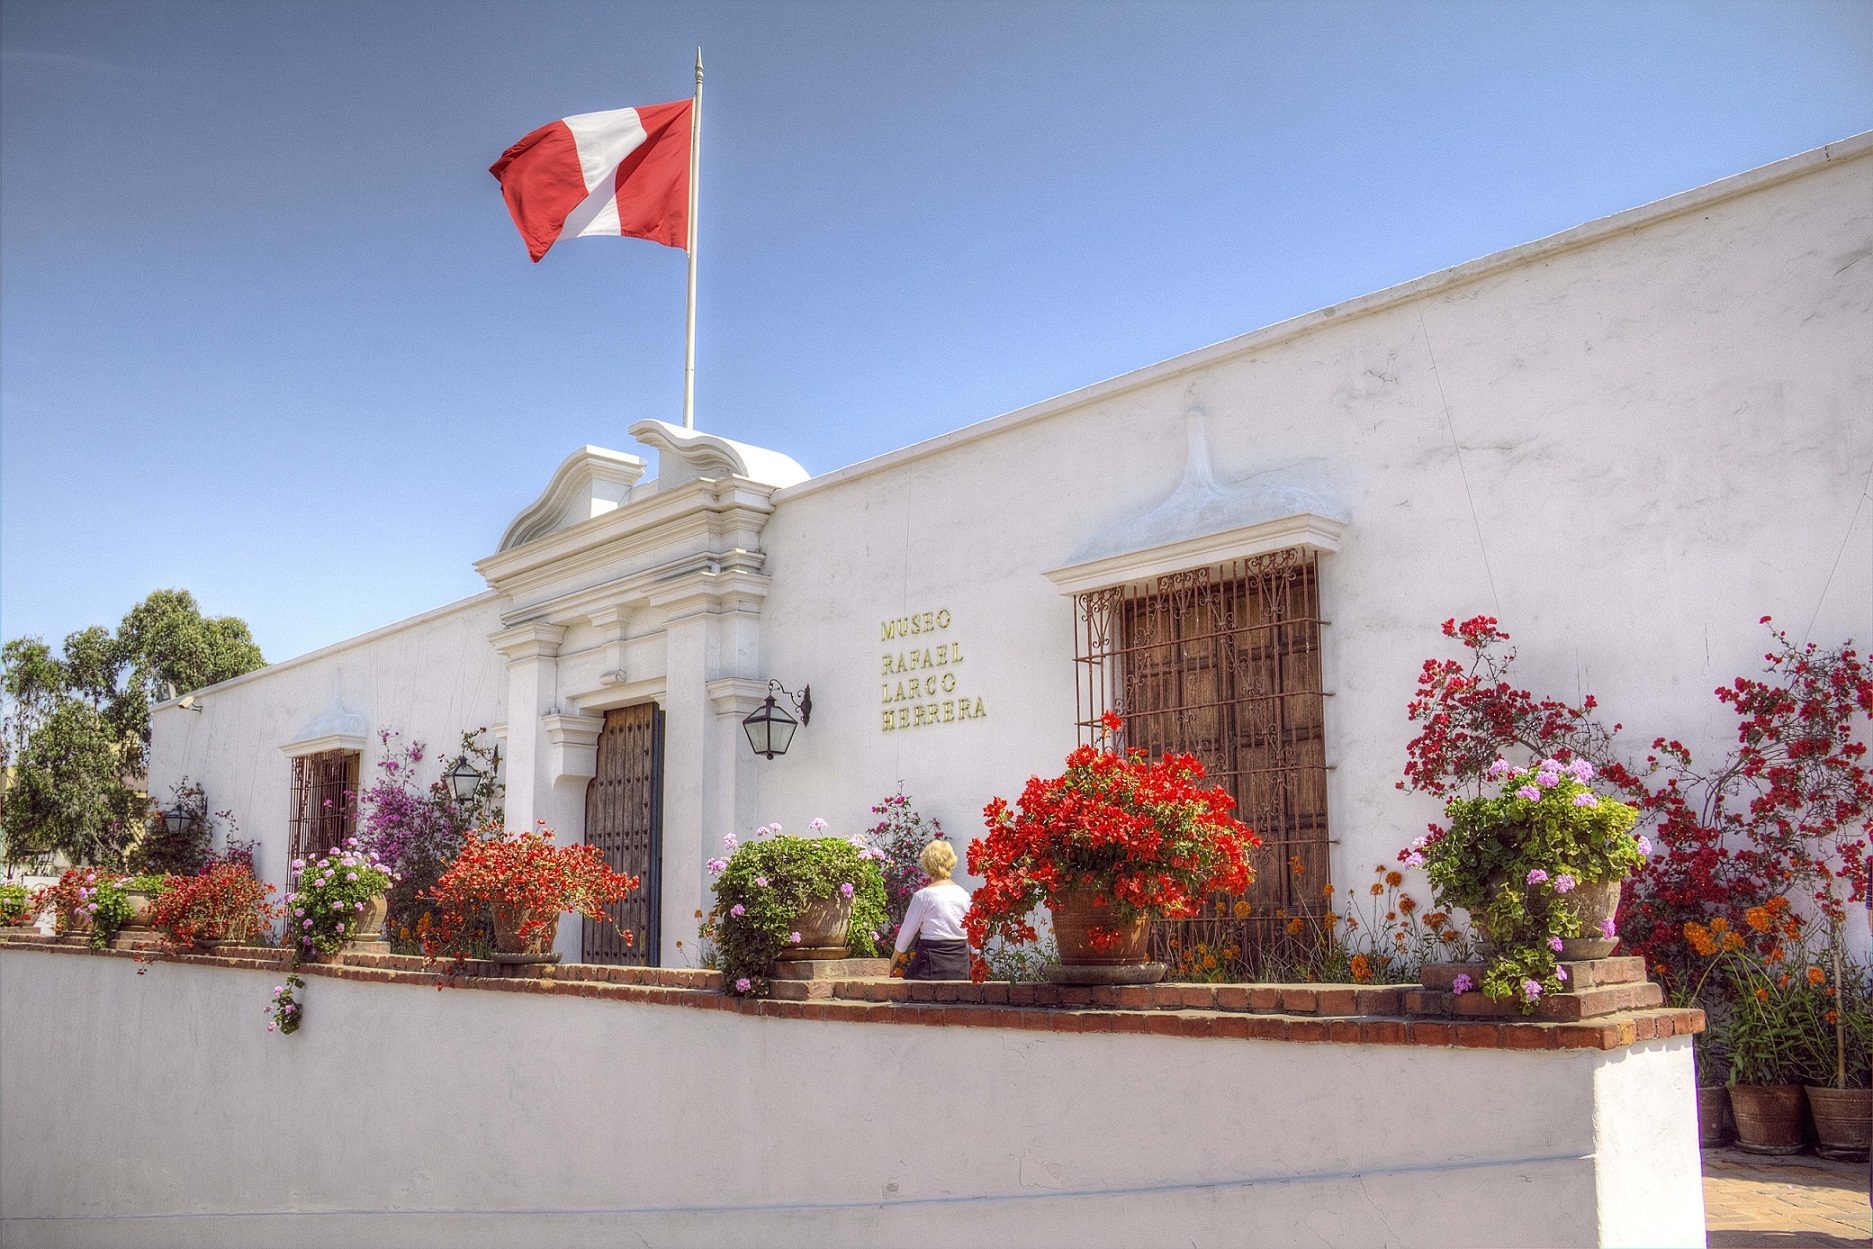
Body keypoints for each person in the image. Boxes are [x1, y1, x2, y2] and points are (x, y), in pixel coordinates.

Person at [891, 840, 972, 980]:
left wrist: (890, 966)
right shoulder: (964, 895)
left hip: (930, 966)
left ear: (927, 864)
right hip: (960, 966)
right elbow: (974, 934)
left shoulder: (923, 896)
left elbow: (906, 933)